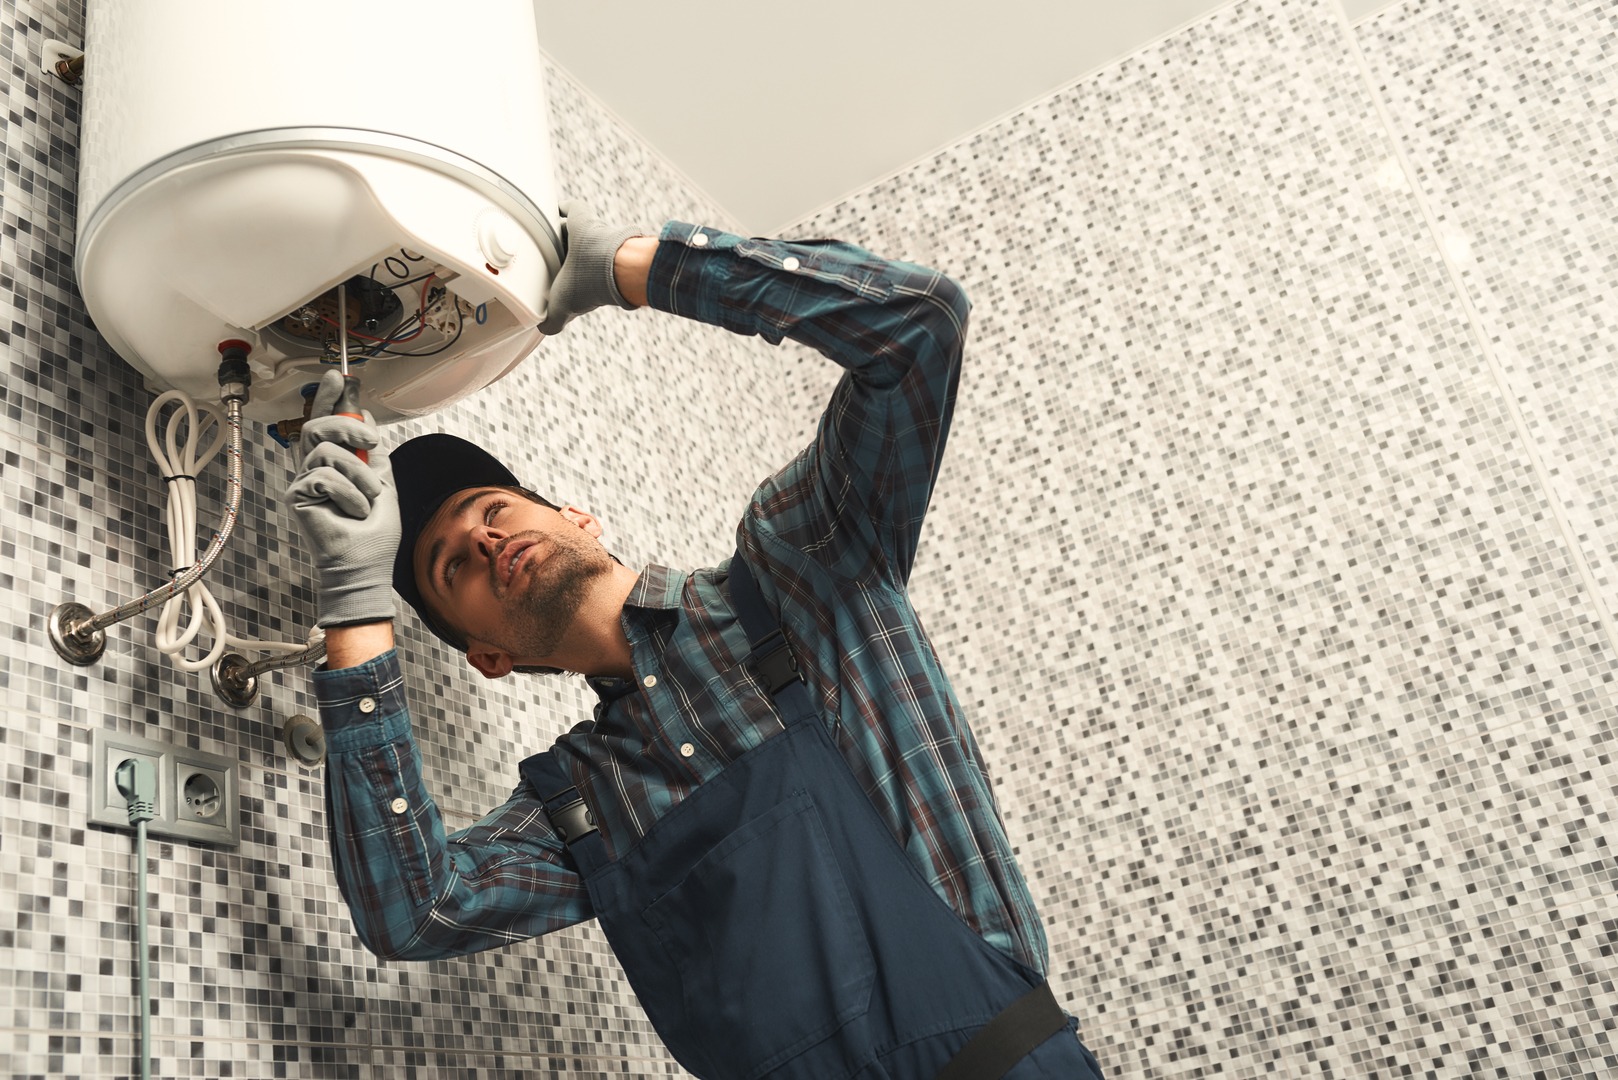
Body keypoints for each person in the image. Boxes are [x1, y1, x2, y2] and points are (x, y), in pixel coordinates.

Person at [286, 201, 1105, 1079]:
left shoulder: (802, 572)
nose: (485, 542)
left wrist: (638, 269)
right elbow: (414, 909)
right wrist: (354, 600)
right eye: (454, 569)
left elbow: (919, 327)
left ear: (576, 517)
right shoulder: (582, 801)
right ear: (491, 658)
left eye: (493, 510)